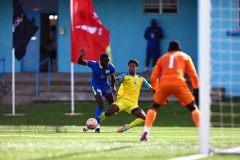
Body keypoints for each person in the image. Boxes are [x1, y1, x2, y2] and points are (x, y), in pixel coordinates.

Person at [140, 40, 200, 141]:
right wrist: (196, 88)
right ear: (179, 49)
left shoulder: (162, 58)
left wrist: (155, 90)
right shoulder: (185, 56)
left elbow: (154, 76)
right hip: (179, 83)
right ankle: (202, 133)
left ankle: (145, 132)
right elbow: (193, 74)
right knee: (193, 108)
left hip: (164, 84)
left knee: (154, 107)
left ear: (168, 49)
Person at [100, 59, 154, 132]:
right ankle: (93, 123)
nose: (131, 68)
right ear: (128, 67)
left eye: (133, 66)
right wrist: (114, 85)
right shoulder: (124, 76)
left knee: (144, 118)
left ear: (136, 68)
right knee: (109, 112)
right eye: (130, 66)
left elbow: (151, 89)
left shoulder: (141, 79)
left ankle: (127, 127)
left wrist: (162, 96)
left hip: (133, 104)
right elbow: (116, 81)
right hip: (122, 101)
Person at [78, 47, 117, 133]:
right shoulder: (94, 64)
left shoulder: (111, 67)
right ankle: (97, 127)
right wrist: (81, 56)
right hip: (96, 86)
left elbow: (113, 78)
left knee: (113, 106)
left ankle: (90, 125)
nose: (107, 63)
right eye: (105, 61)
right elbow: (80, 62)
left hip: (105, 86)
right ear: (101, 60)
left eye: (108, 61)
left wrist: (113, 87)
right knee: (101, 104)